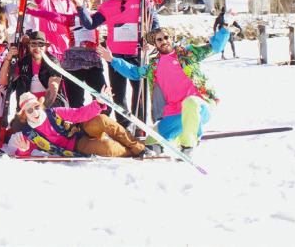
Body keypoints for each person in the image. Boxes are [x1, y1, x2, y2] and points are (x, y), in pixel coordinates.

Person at [98, 22, 232, 157]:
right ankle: (175, 140)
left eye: (166, 37)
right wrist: (113, 60)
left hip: (199, 107)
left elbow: (215, 47)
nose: (164, 41)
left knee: (190, 102)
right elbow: (135, 72)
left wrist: (225, 26)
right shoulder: (154, 66)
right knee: (151, 143)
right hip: (174, 112)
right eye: (159, 40)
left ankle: (189, 145)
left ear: (172, 39)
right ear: (155, 44)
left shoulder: (188, 54)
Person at [75, 0, 160, 126]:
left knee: (140, 90)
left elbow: (154, 22)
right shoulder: (107, 6)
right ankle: (124, 126)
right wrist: (81, 7)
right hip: (115, 56)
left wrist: (151, 40)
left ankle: (140, 125)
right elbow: (90, 24)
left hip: (137, 53)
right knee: (118, 94)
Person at [11, 89, 147, 158]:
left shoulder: (54, 112)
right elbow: (23, 152)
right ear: (24, 115)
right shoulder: (29, 133)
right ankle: (131, 152)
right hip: (78, 146)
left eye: (36, 107)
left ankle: (139, 147)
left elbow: (79, 114)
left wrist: (98, 103)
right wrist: (23, 149)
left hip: (82, 131)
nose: (35, 112)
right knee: (107, 147)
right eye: (29, 110)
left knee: (101, 119)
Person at [27, 0, 105, 108]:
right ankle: (77, 123)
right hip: (74, 62)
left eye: (87, 1)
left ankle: (100, 121)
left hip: (93, 62)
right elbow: (50, 15)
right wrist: (29, 11)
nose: (84, 4)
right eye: (81, 1)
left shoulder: (97, 18)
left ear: (92, 2)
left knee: (102, 97)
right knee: (75, 100)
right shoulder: (71, 19)